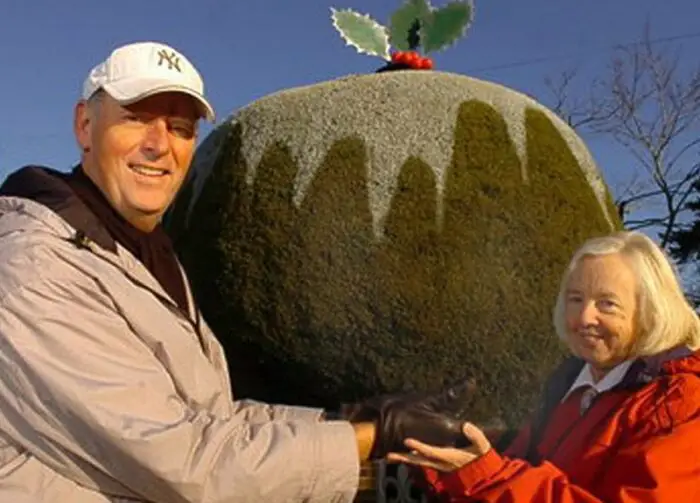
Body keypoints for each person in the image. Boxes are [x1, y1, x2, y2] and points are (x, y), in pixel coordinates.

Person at [0, 41, 467, 502]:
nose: (159, 145)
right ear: (85, 125)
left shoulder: (143, 254)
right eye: (137, 118)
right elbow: (184, 463)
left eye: (181, 128)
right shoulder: (37, 263)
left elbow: (212, 418)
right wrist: (372, 437)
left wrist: (347, 420)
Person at [390, 230, 700, 502]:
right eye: (575, 299)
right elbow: (514, 470)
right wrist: (441, 455)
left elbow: (502, 481)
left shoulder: (679, 403)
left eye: (607, 303)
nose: (583, 318)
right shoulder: (568, 385)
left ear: (651, 311)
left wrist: (486, 477)